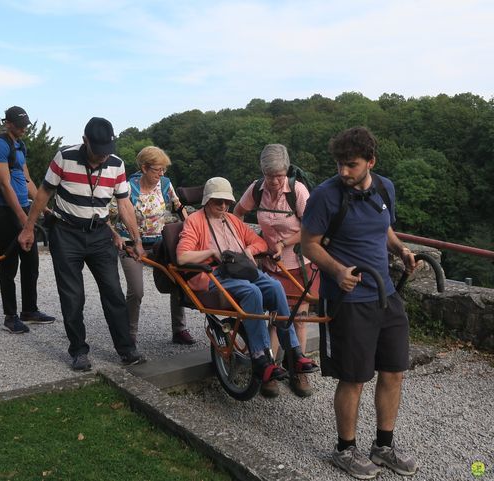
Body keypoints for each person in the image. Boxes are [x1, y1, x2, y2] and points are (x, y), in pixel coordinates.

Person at [301, 127, 418, 479]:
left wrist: (400, 250)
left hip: (386, 296)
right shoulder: (325, 196)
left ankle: (383, 446)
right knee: (353, 378)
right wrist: (337, 271)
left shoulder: (385, 188)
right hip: (348, 300)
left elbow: (382, 228)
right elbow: (308, 244)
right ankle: (345, 449)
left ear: (371, 162)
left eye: (351, 165)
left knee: (394, 371)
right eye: (339, 164)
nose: (343, 172)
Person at [18, 117, 146, 371]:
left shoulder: (116, 164)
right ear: (85, 140)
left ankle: (126, 349)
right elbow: (44, 193)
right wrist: (29, 228)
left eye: (106, 151)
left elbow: (124, 204)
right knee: (73, 296)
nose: (102, 157)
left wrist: (137, 239)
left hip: (100, 235)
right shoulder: (64, 157)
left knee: (113, 293)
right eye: (97, 151)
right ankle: (78, 350)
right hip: (66, 233)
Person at [176, 177, 315, 384]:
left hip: (240, 269)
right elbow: (182, 257)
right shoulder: (195, 221)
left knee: (275, 287)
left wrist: (249, 249)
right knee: (252, 291)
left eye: (226, 202)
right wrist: (212, 252)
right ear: (207, 201)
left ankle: (294, 353)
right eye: (217, 202)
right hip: (214, 274)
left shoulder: (232, 220)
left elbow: (258, 241)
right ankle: (260, 359)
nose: (223, 206)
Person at [234, 144, 320, 398]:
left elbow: (313, 227)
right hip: (269, 264)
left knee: (299, 319)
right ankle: (269, 371)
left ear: (287, 172)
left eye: (279, 176)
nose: (274, 181)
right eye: (270, 176)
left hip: (298, 264)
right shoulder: (256, 189)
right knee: (274, 319)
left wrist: (284, 243)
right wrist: (247, 242)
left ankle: (297, 371)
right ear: (263, 173)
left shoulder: (298, 191)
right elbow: (237, 214)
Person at [113, 146, 195, 345]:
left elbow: (179, 207)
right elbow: (109, 216)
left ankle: (179, 329)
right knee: (136, 291)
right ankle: (129, 336)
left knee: (177, 280)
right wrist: (117, 238)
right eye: (157, 169)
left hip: (159, 243)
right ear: (144, 168)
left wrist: (192, 226)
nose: (162, 173)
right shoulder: (128, 187)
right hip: (132, 245)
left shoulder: (166, 184)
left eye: (163, 169)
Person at [0, 106, 55, 333]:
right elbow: (4, 184)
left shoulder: (20, 145)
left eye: (25, 124)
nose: (23, 128)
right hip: (6, 211)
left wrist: (41, 206)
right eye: (19, 125)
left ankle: (29, 309)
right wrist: (21, 216)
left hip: (25, 208)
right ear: (8, 123)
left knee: (31, 262)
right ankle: (10, 315)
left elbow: (26, 179)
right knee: (9, 263)